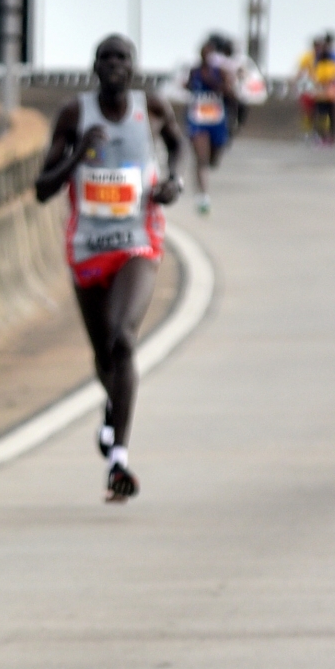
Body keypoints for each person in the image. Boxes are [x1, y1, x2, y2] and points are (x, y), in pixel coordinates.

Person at [34, 35, 184, 502]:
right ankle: (113, 410)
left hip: (137, 241)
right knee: (104, 354)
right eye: (106, 58)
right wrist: (78, 154)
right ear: (94, 67)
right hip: (87, 247)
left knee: (123, 339)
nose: (115, 65)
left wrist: (172, 182)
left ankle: (118, 457)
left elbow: (177, 148)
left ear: (133, 69)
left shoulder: (153, 109)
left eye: (123, 58)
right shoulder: (74, 115)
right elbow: (42, 187)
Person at [184, 37, 237, 214]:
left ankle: (207, 170)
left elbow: (230, 90)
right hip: (198, 119)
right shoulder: (194, 71)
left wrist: (219, 84)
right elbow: (188, 86)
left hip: (216, 119)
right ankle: (203, 196)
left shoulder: (219, 71)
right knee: (201, 159)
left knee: (213, 158)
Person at [298, 31, 335, 145]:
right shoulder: (314, 60)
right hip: (321, 93)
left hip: (326, 93)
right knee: (315, 114)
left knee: (327, 116)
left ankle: (325, 137)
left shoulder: (333, 61)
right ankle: (317, 135)